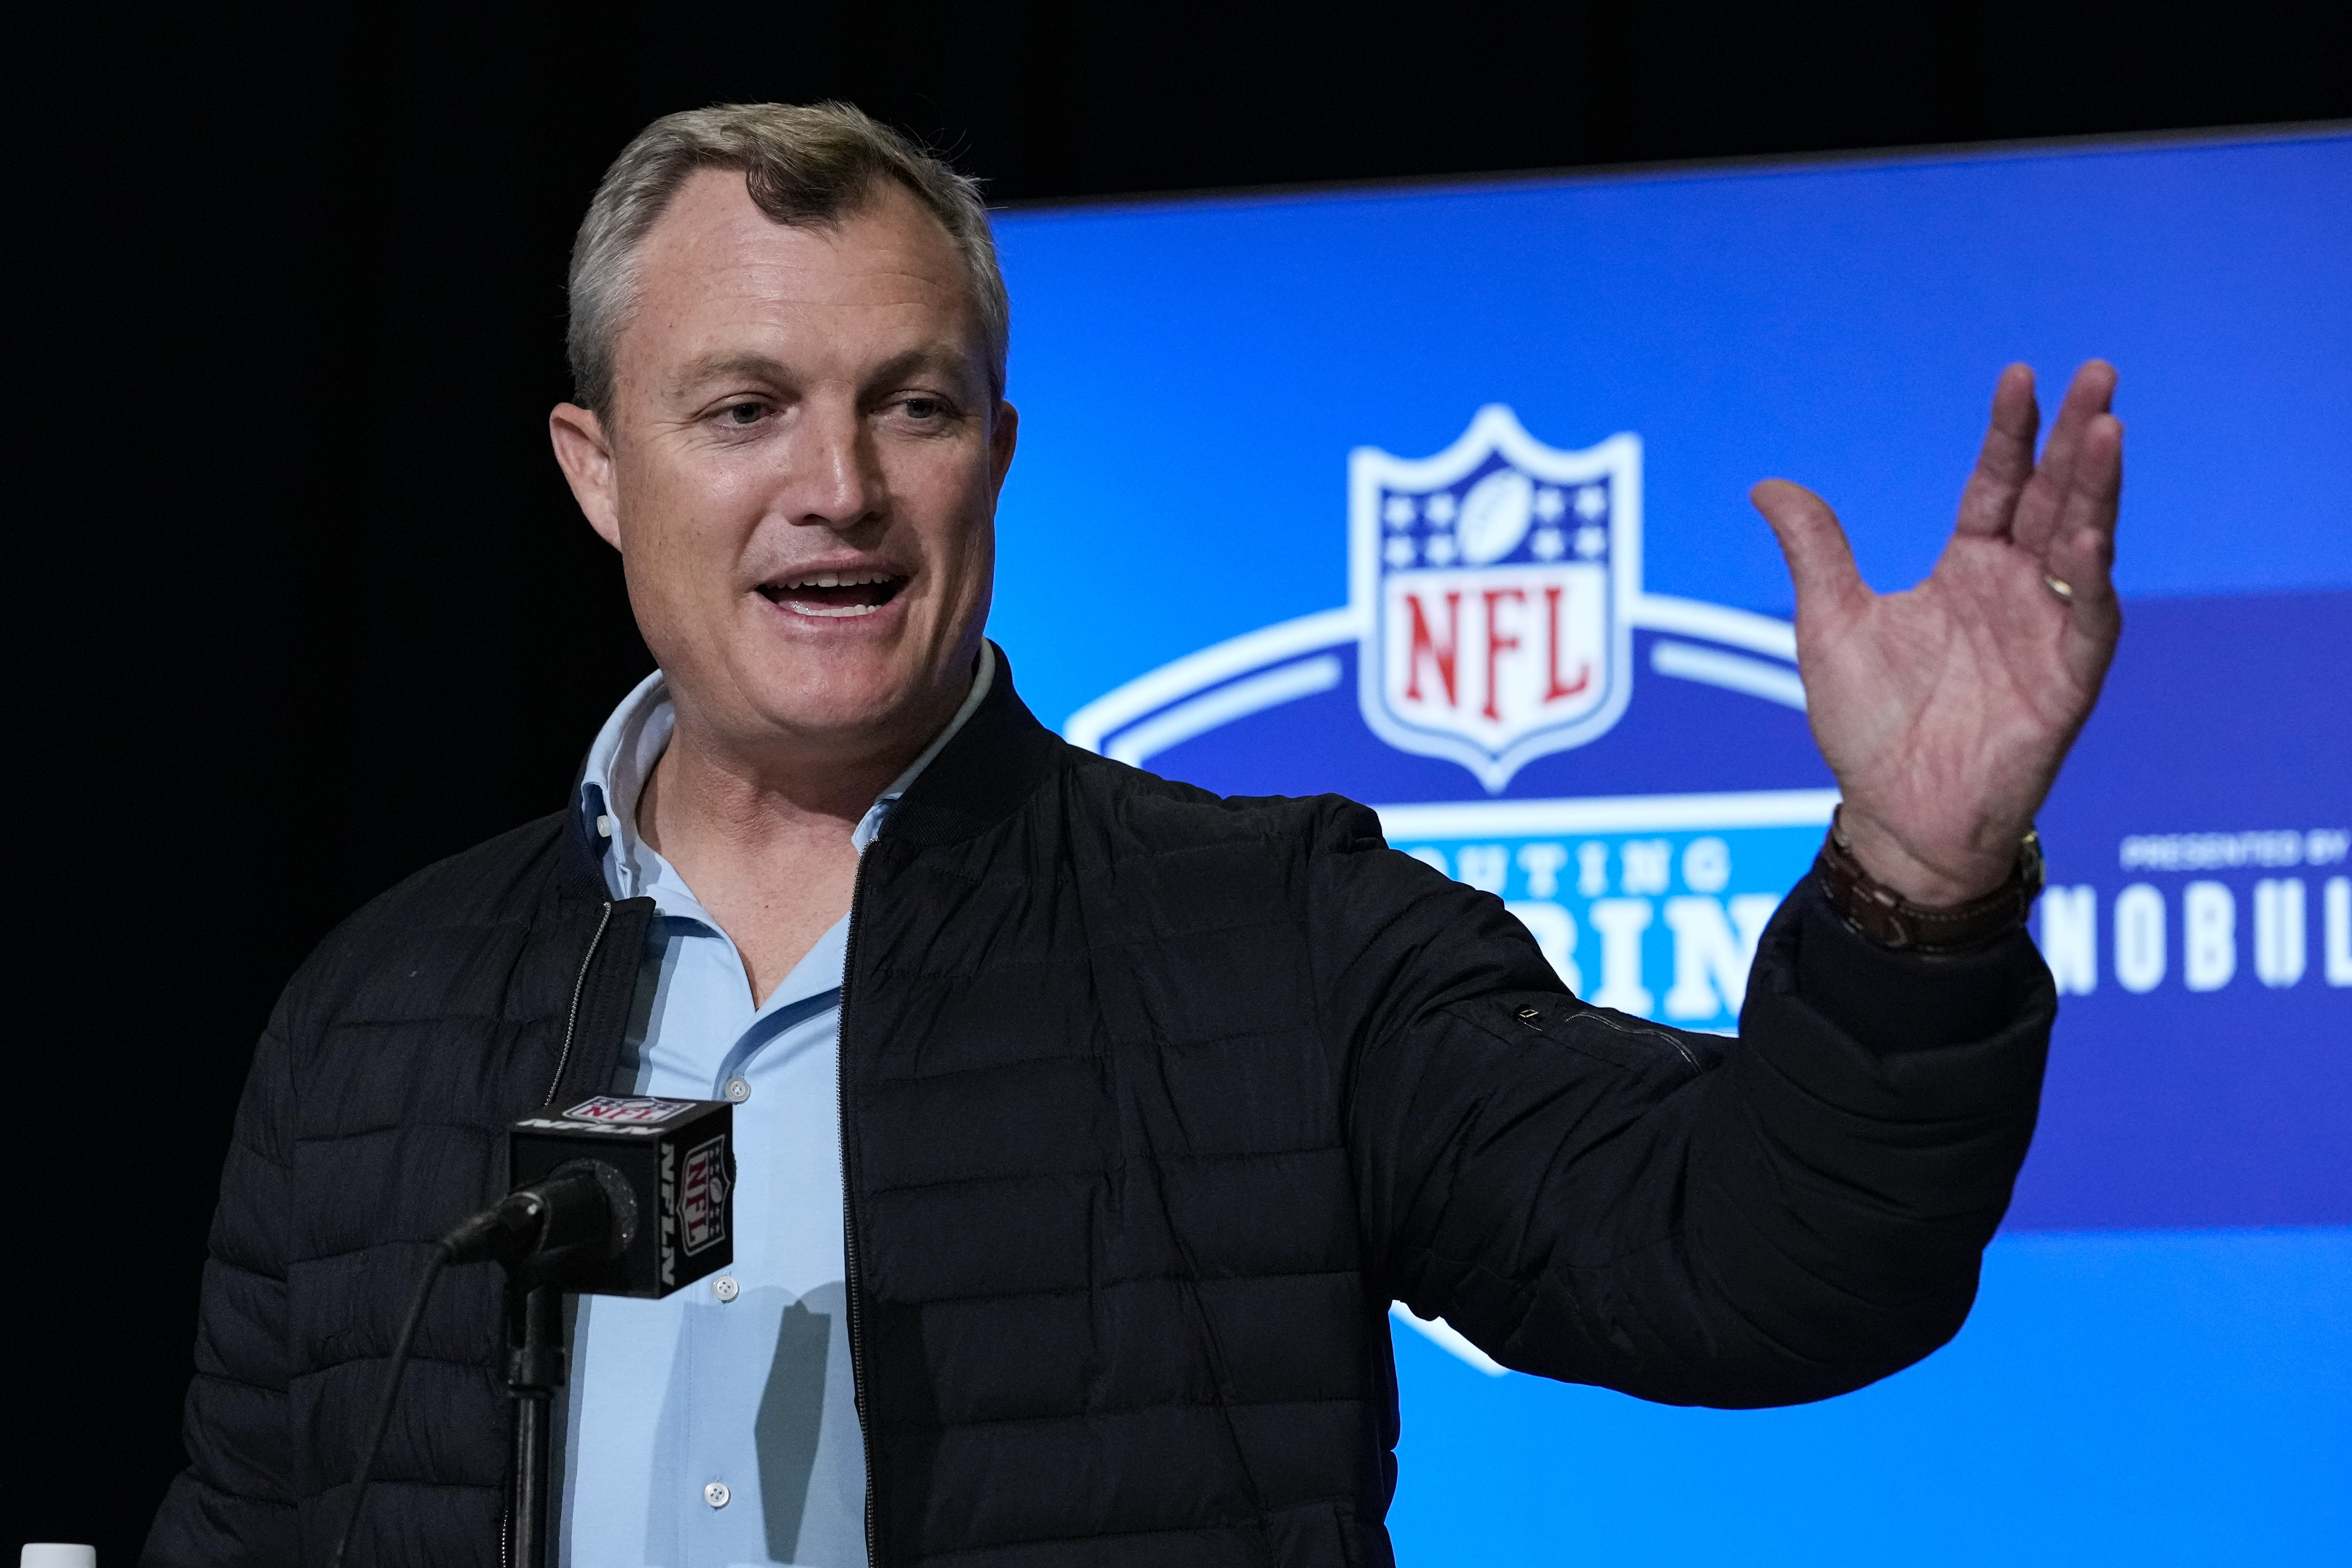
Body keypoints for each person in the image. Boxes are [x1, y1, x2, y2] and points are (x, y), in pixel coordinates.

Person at [145, 102, 2123, 1568]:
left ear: (997, 452)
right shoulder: (373, 1016)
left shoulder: (1278, 936)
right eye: (743, 408)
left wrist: (1916, 878)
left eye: (909, 406)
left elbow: (1757, 1262)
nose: (835, 488)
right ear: (597, 469)